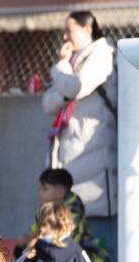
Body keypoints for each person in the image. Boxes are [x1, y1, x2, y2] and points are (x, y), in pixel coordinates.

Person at [42, 11, 117, 230]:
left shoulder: (103, 53)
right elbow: (48, 103)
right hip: (70, 152)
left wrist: (61, 69)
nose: (65, 37)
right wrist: (66, 84)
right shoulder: (74, 60)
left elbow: (77, 87)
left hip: (94, 148)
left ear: (87, 29)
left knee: (97, 229)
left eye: (69, 30)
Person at [32, 168, 109, 262]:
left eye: (45, 189)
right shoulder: (44, 208)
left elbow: (69, 236)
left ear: (60, 192)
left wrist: (38, 239)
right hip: (51, 250)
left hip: (75, 251)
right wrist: (28, 239)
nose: (40, 192)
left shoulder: (72, 208)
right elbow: (35, 229)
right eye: (39, 188)